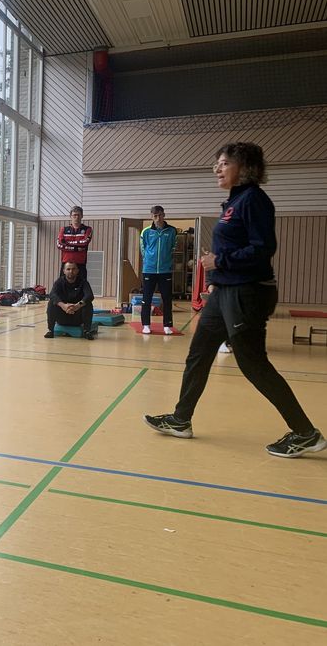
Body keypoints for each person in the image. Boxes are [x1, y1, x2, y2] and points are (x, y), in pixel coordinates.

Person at [144, 142, 325, 458]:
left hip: (247, 293)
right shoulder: (234, 201)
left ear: (246, 168)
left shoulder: (254, 200)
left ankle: (305, 433)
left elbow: (262, 248)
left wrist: (220, 261)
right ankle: (181, 419)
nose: (217, 168)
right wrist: (217, 274)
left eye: (225, 163)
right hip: (224, 292)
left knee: (253, 364)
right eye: (216, 163)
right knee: (199, 353)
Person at [139, 205, 178, 335]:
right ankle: (146, 325)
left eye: (160, 215)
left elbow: (173, 247)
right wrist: (149, 261)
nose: (158, 218)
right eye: (155, 216)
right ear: (151, 217)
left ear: (164, 215)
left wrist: (166, 260)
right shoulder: (146, 232)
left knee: (167, 299)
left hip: (165, 270)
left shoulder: (172, 231)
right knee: (146, 298)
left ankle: (167, 325)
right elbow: (143, 249)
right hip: (149, 270)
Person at [45, 261, 95, 340]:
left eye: (73, 269)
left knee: (88, 303)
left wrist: (77, 306)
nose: (71, 271)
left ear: (77, 271)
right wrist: (63, 306)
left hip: (77, 317)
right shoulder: (59, 282)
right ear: (64, 271)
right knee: (51, 303)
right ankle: (50, 330)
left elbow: (89, 296)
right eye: (68, 269)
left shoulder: (83, 282)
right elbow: (52, 295)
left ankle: (87, 331)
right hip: (62, 316)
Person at [57, 205, 93, 278]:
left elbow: (85, 243)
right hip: (66, 263)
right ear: (70, 216)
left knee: (82, 284)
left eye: (78, 215)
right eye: (74, 215)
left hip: (80, 263)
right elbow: (59, 245)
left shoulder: (87, 229)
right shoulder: (64, 229)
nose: (76, 217)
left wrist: (67, 243)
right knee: (62, 284)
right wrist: (76, 248)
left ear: (82, 216)